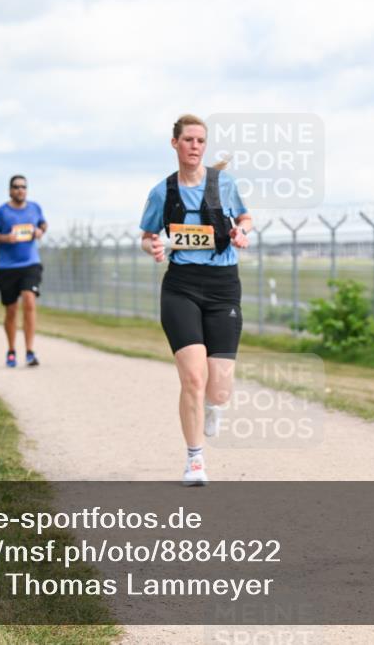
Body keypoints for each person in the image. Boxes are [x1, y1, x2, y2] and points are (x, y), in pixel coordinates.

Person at [139, 114, 252, 486]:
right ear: (175, 143)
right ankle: (195, 459)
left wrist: (241, 232)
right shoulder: (162, 192)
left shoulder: (224, 185)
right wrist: (153, 246)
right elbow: (147, 235)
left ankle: (213, 406)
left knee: (218, 387)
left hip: (222, 287)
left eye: (200, 141)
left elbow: (246, 219)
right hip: (181, 287)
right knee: (192, 376)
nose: (194, 146)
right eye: (188, 140)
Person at [0, 175, 48, 367]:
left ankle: (29, 351)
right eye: (16, 187)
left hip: (30, 264)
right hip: (7, 267)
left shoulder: (34, 208)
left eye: (23, 187)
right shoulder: (2, 212)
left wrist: (40, 232)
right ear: (10, 190)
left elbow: (43, 223)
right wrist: (5, 238)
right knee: (11, 310)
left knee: (29, 300)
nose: (20, 190)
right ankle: (11, 350)